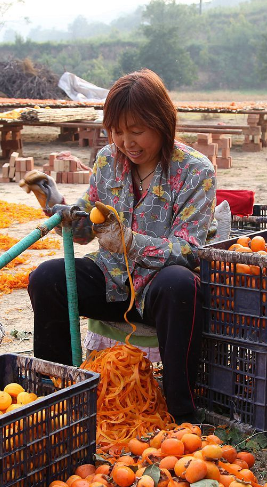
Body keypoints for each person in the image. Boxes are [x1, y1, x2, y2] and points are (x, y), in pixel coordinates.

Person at [22, 69, 217, 424]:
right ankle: (58, 393)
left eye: (137, 130)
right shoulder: (107, 162)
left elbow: (189, 249)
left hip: (158, 290)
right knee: (46, 277)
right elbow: (83, 230)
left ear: (162, 122)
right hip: (113, 281)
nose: (126, 141)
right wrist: (56, 204)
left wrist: (130, 242)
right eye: (117, 131)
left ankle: (182, 414)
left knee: (181, 284)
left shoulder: (193, 170)